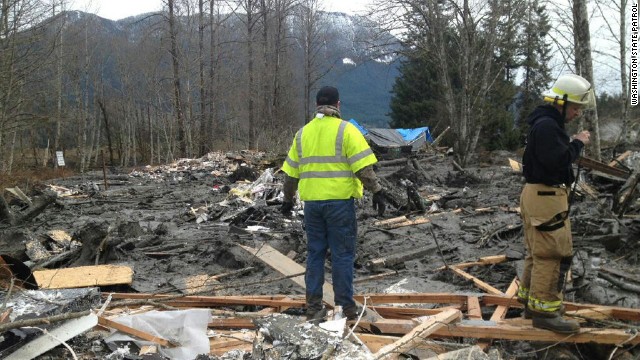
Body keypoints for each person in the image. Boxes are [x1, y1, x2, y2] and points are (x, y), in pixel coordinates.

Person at [280, 86, 387, 323]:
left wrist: (288, 200)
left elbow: (290, 176)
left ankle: (314, 309)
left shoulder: (302, 134)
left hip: (312, 206)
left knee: (315, 255)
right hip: (339, 204)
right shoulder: (347, 130)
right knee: (342, 255)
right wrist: (377, 191)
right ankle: (346, 308)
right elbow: (363, 169)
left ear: (317, 105)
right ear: (338, 105)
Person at [517, 74, 593, 334]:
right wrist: (577, 143)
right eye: (574, 107)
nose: (576, 113)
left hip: (536, 195)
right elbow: (558, 161)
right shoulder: (549, 126)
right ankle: (545, 313)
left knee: (536, 252)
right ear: (560, 102)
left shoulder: (544, 122)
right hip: (545, 198)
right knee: (552, 253)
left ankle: (531, 302)